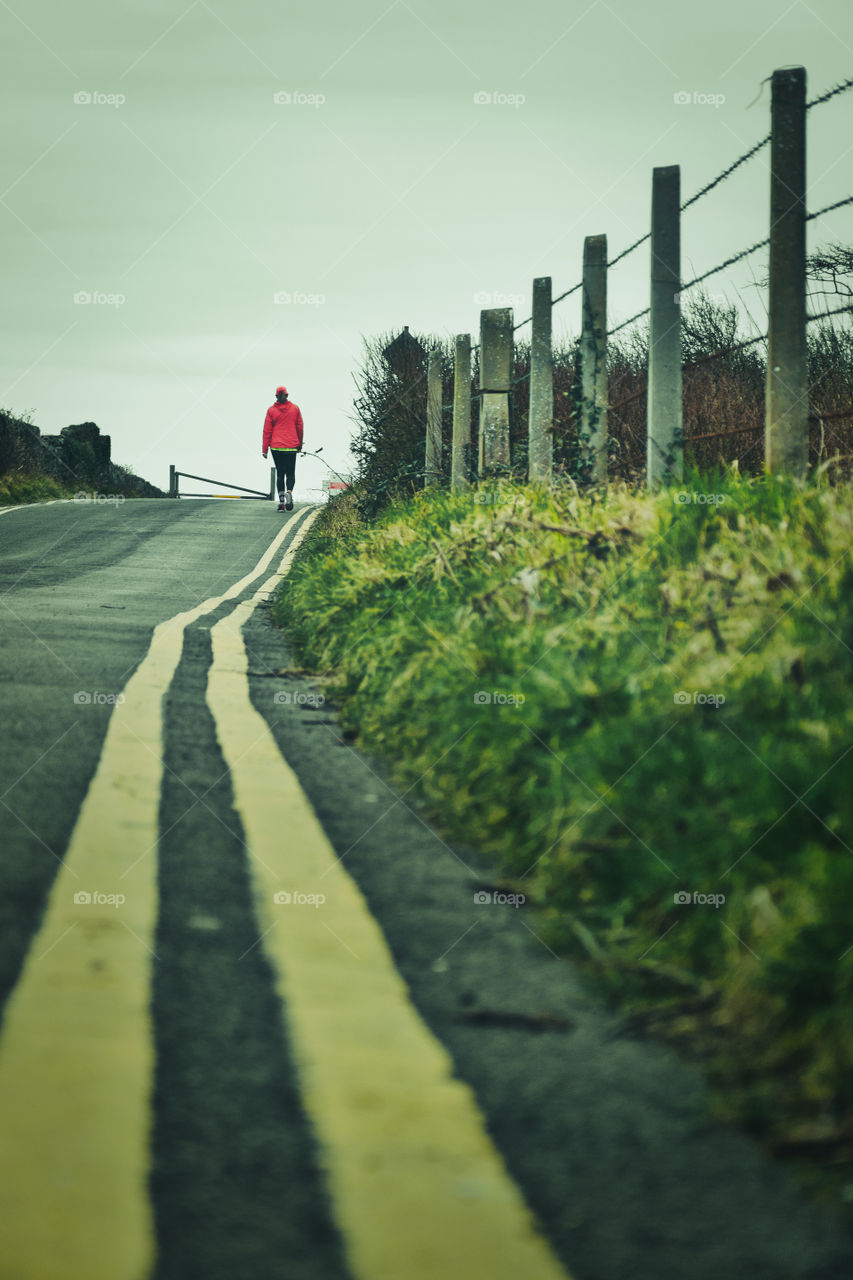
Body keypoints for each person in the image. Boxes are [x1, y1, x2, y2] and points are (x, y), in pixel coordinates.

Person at [262, 385, 304, 511]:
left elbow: (267, 430)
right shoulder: (295, 409)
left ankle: (281, 503)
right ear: (287, 395)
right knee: (290, 473)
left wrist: (265, 449)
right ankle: (289, 493)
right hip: (291, 446)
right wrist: (299, 444)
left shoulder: (271, 411)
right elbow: (300, 428)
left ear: (276, 396)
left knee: (280, 474)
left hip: (276, 447)